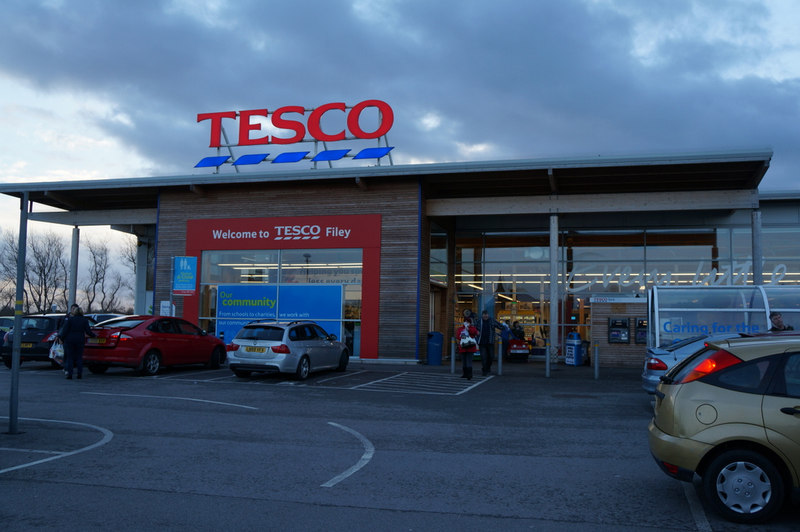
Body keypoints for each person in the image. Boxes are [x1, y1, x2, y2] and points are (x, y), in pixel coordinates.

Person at [57, 305, 96, 380]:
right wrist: (94, 336)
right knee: (79, 357)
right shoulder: (84, 320)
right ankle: (79, 373)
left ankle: (70, 374)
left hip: (70, 340)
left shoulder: (70, 320)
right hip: (80, 340)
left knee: (70, 357)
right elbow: (88, 331)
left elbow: (65, 330)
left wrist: (61, 338)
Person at [477, 310, 503, 376]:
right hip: (482, 342)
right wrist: (476, 333)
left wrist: (505, 327)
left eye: (486, 314)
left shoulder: (492, 320)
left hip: (490, 342)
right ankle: (484, 370)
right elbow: (474, 329)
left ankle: (488, 367)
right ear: (482, 315)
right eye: (484, 314)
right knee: (483, 357)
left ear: (488, 315)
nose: (485, 316)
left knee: (491, 356)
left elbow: (500, 326)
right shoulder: (479, 321)